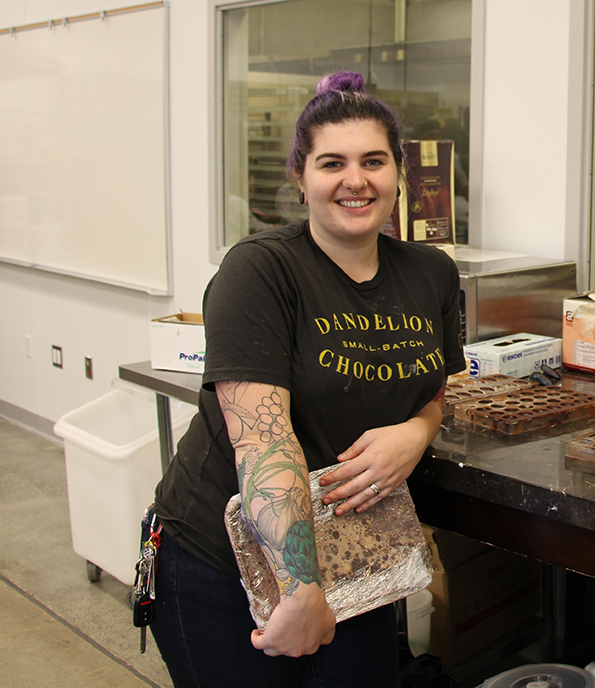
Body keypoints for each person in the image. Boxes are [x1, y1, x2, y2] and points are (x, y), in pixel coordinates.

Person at [149, 71, 465, 687]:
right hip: (226, 566)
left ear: (398, 173)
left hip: (355, 556)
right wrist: (298, 590)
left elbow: (433, 385)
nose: (356, 180)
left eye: (374, 160)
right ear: (300, 177)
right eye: (332, 163)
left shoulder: (430, 273)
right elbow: (263, 442)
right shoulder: (261, 272)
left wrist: (417, 432)